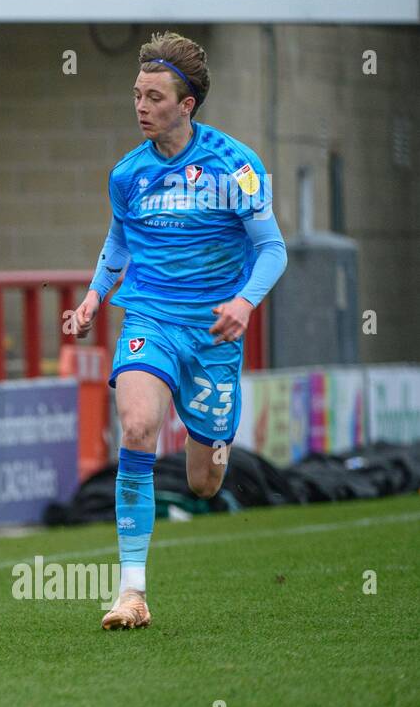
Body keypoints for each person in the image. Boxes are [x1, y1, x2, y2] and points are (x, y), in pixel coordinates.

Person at [73, 32, 288, 630]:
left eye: (155, 96)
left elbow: (271, 250)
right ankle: (131, 593)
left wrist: (244, 304)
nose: (141, 106)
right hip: (150, 317)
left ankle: (210, 430)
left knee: (203, 480)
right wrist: (95, 295)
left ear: (186, 103)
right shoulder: (128, 174)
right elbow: (119, 241)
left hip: (215, 332)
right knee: (137, 427)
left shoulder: (236, 166)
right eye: (137, 94)